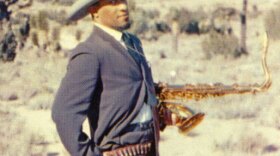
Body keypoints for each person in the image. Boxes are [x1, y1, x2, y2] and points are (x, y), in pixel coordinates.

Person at [52, 0, 165, 155]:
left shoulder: (134, 43)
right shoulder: (90, 52)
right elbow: (63, 114)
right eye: (113, 2)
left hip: (149, 147)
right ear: (94, 11)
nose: (123, 7)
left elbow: (134, 90)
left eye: (123, 0)